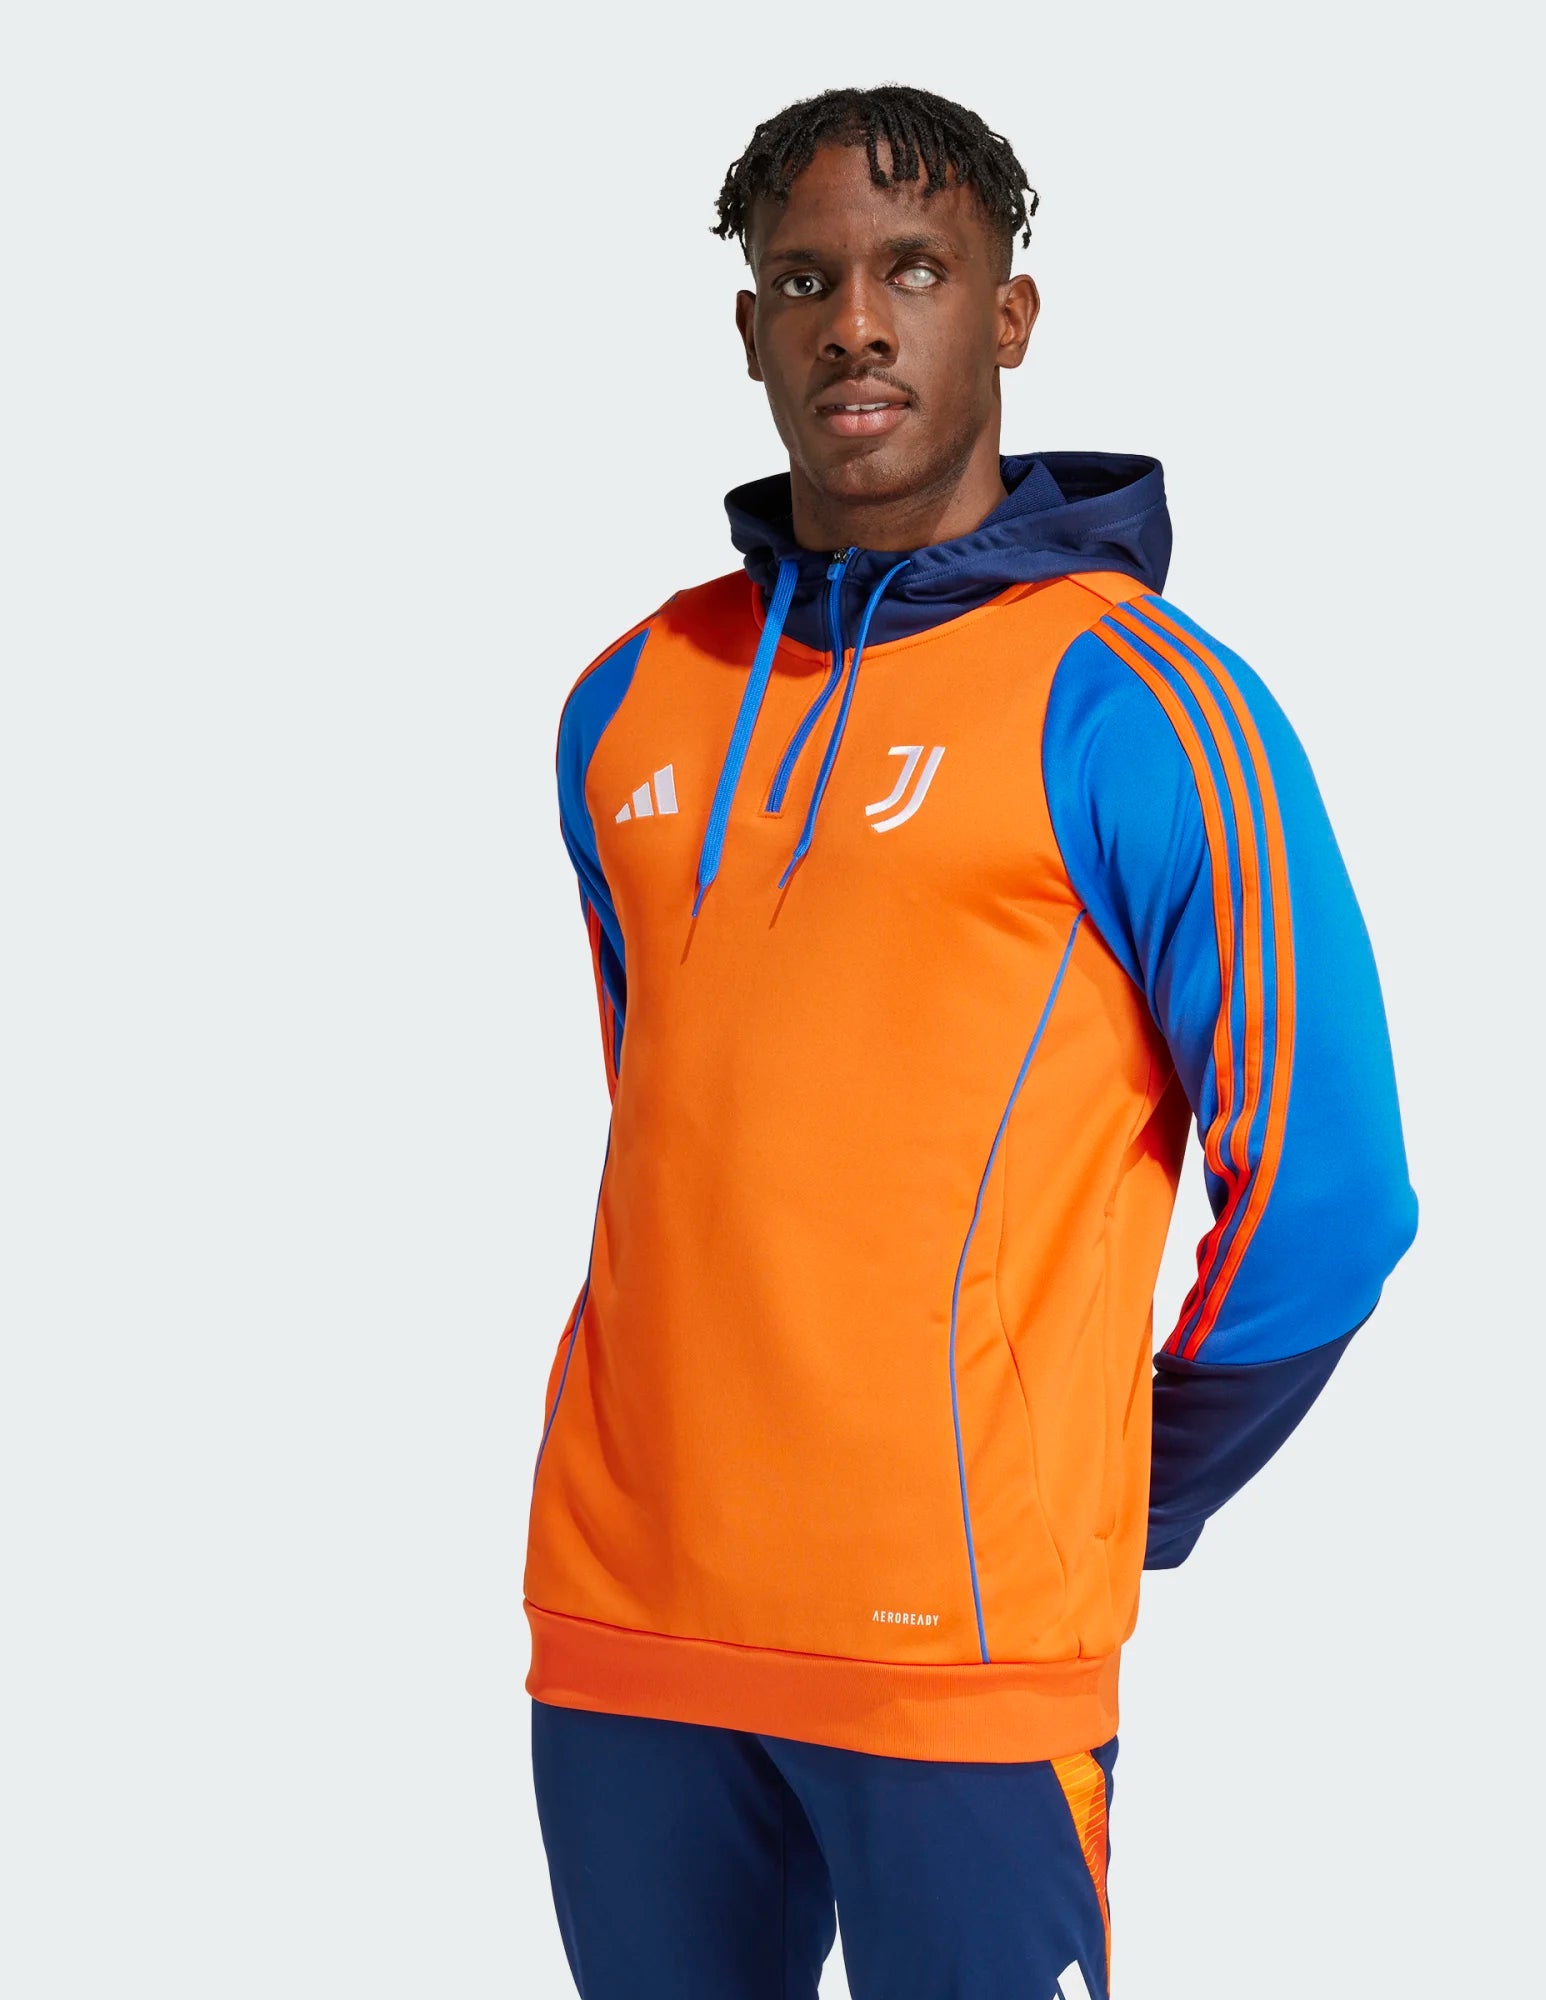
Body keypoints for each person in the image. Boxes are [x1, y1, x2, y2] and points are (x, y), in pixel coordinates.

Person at [522, 84, 1416, 2000]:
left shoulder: (1143, 704)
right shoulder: (628, 702)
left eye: (913, 271)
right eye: (805, 281)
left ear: (1006, 316)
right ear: (751, 327)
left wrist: (1121, 1489)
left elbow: (1333, 1197)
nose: (856, 323)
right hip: (625, 1629)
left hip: (962, 1661)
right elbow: (673, 1122)